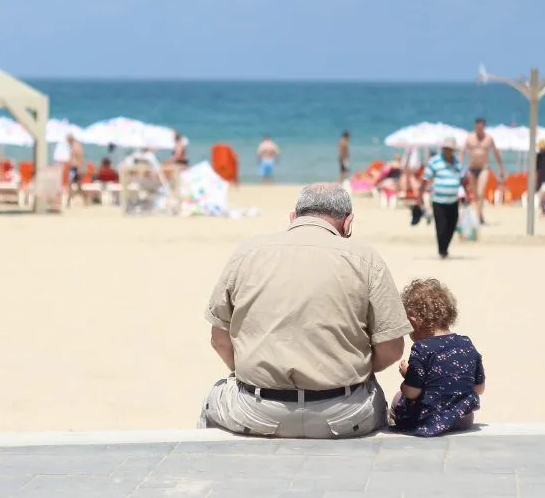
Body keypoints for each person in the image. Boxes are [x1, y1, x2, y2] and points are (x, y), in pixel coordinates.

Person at [197, 183, 412, 438]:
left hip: (257, 411)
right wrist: (353, 370)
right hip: (344, 413)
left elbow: (218, 339)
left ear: (293, 218)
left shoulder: (248, 252)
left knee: (213, 399)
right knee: (380, 402)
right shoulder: (366, 259)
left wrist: (249, 371)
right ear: (348, 223)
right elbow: (392, 348)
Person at [390, 278, 485, 437]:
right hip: (463, 418)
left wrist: (408, 377)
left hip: (429, 418)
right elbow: (478, 388)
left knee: (397, 398)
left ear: (414, 322)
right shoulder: (466, 343)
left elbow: (412, 392)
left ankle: (396, 424)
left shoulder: (422, 348)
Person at [417, 137, 467, 259]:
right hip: (438, 200)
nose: (447, 151)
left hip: (453, 200)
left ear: (453, 150)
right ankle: (442, 250)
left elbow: (464, 180)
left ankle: (444, 248)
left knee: (452, 224)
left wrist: (467, 194)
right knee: (441, 226)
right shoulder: (435, 162)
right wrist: (419, 197)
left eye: (449, 149)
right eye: (445, 149)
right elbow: (425, 180)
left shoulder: (457, 164)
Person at [460, 118, 505, 224]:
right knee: (475, 195)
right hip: (471, 169)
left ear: (483, 127)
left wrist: (501, 168)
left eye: (480, 127)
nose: (478, 129)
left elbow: (496, 152)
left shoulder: (489, 139)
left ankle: (477, 218)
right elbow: (462, 152)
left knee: (480, 193)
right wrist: (459, 166)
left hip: (483, 168)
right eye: (477, 127)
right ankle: (480, 215)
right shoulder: (470, 138)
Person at [66, 134, 87, 207]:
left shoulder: (76, 146)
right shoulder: (74, 146)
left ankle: (69, 201)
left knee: (72, 184)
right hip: (74, 168)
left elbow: (79, 158)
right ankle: (69, 201)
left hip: (75, 168)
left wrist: (79, 169)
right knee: (77, 186)